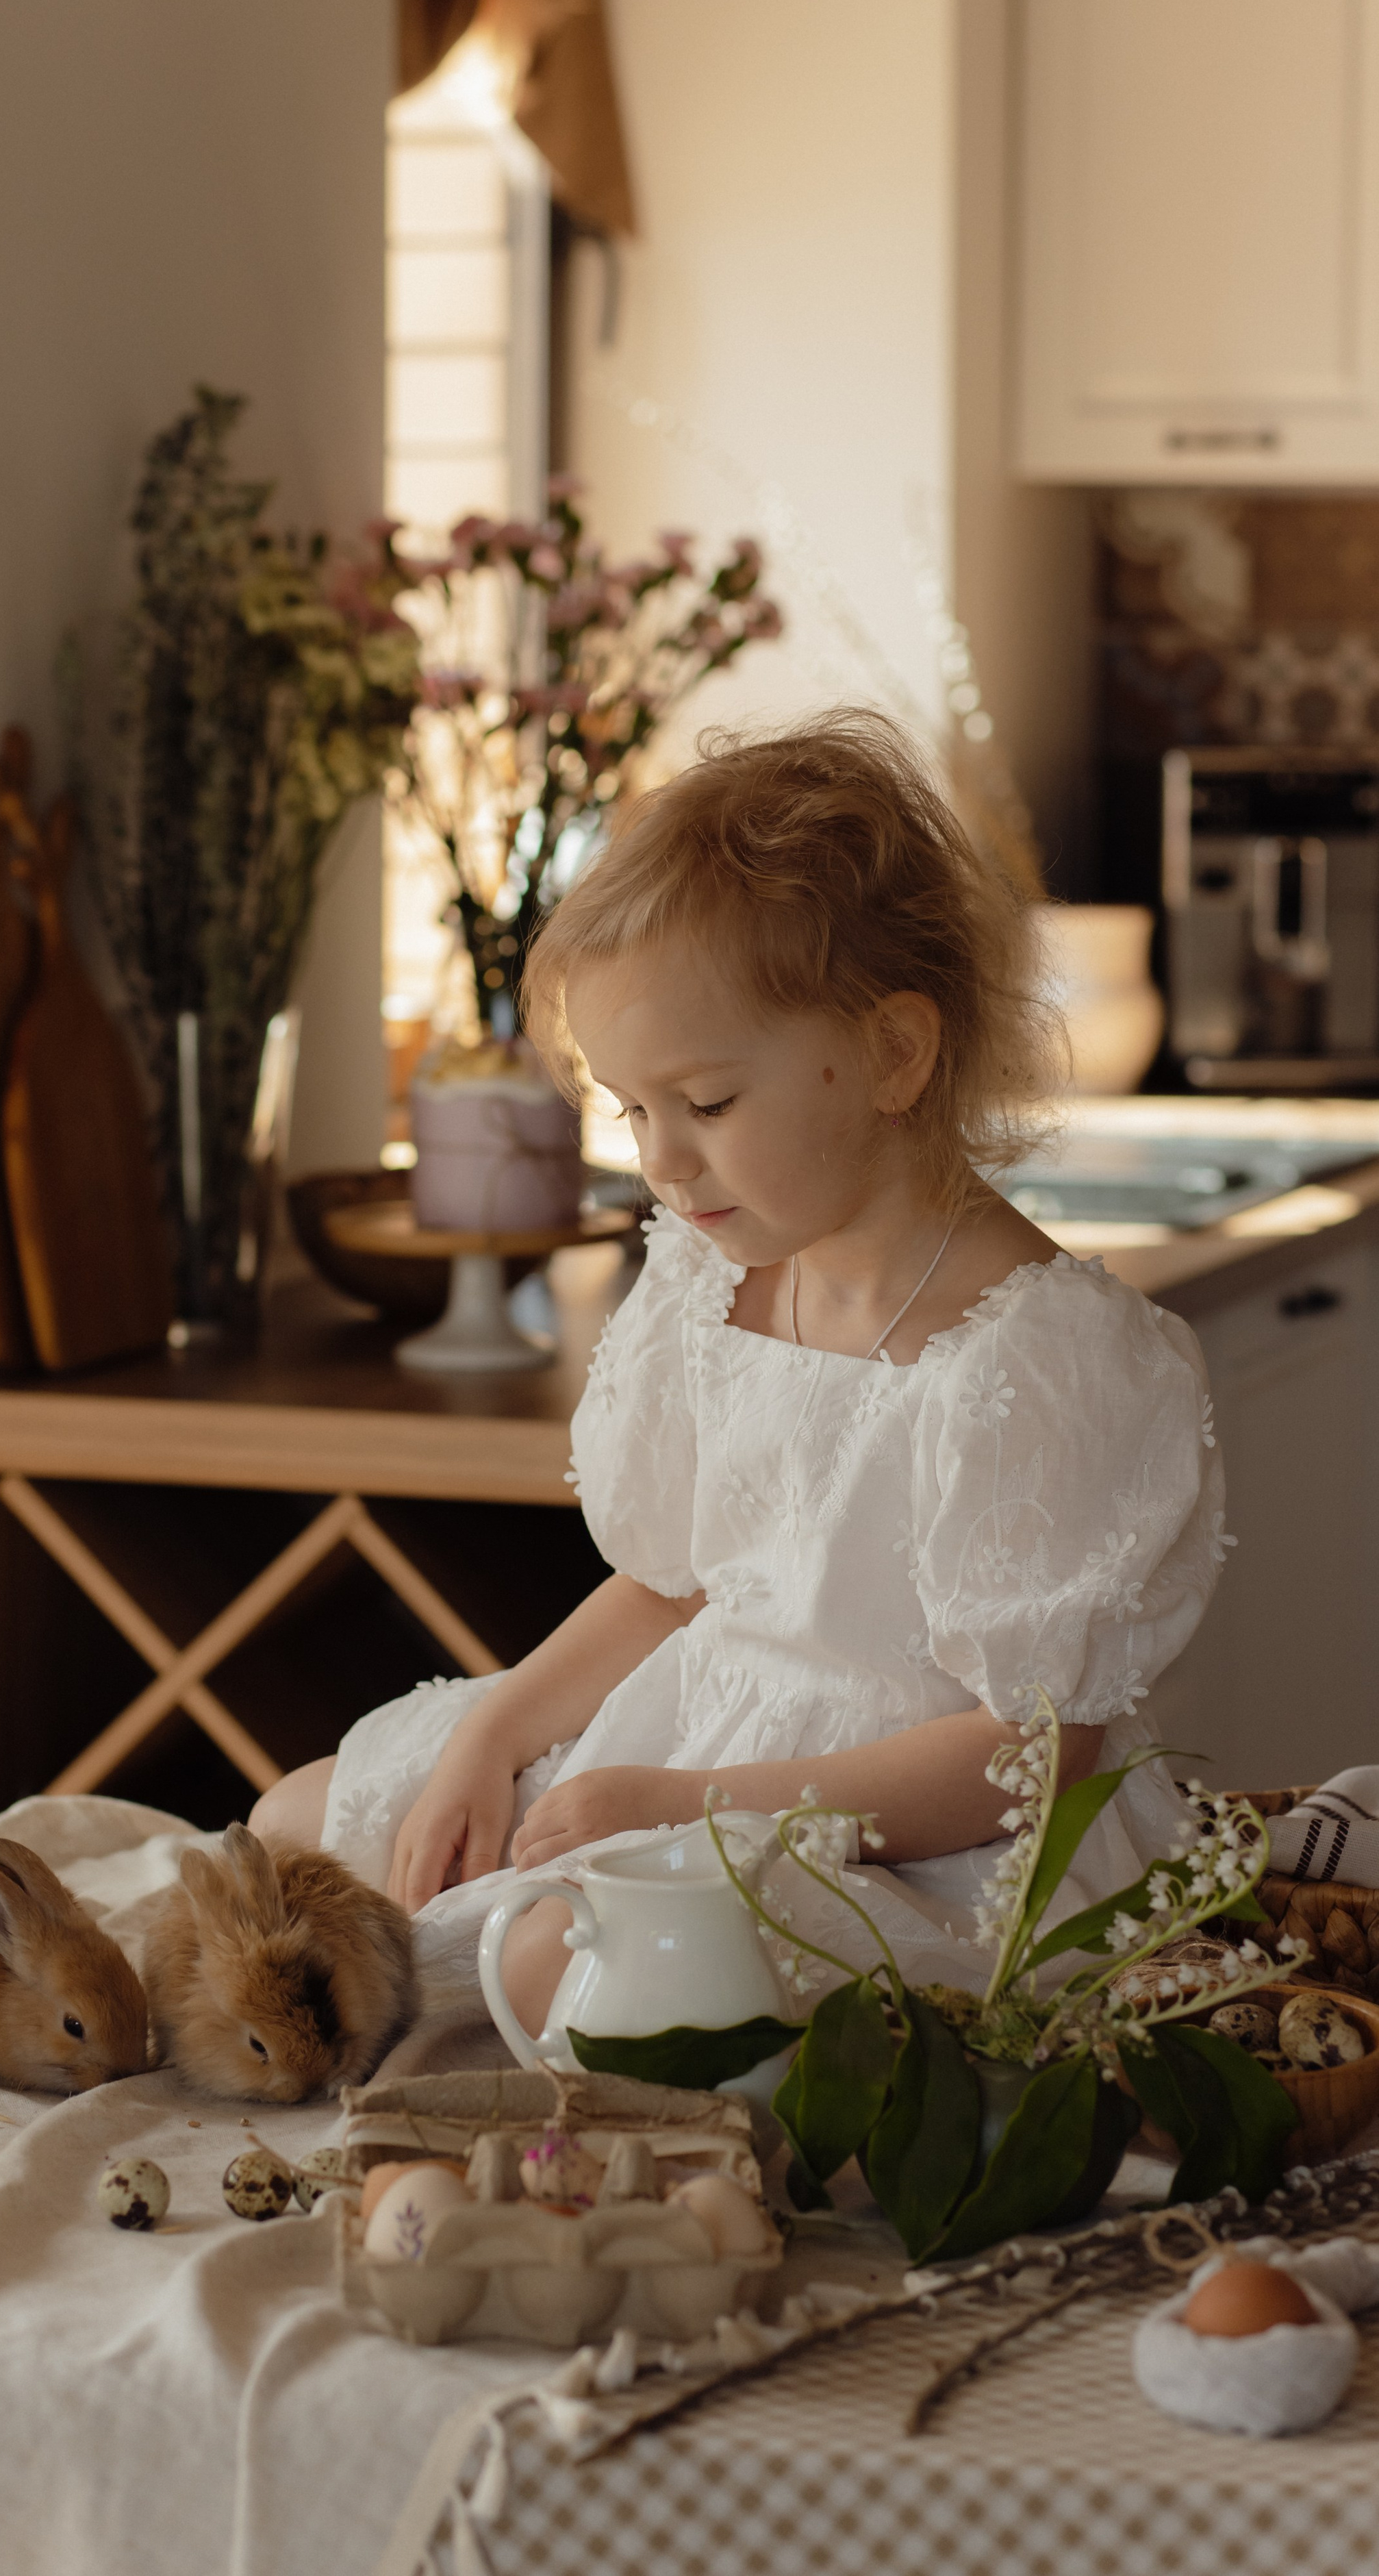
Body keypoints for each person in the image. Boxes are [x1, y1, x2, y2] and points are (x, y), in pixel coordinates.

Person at [254, 711, 1228, 2034]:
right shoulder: (717, 1280)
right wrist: (491, 1740)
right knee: (302, 1821)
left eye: (706, 1105)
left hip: (917, 1837)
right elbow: (670, 1588)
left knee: (566, 1963)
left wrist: (680, 1810)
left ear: (894, 1054)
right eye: (632, 1111)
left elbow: (1030, 1758)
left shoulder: (1043, 1356)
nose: (662, 1161)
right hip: (698, 1739)